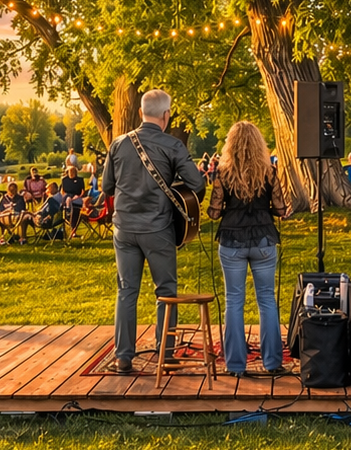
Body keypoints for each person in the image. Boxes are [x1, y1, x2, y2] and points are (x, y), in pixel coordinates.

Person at [100, 88, 206, 374]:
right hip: (158, 227)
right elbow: (196, 184)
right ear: (167, 115)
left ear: (140, 113)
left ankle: (123, 357)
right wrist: (173, 191)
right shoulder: (173, 146)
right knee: (166, 291)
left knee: (126, 291)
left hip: (123, 228)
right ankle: (166, 354)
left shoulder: (119, 143)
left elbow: (107, 187)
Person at [207, 120, 289, 377]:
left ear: (230, 144)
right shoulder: (269, 172)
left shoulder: (222, 173)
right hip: (263, 239)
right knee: (267, 300)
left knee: (233, 301)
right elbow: (280, 209)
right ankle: (273, 362)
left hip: (231, 241)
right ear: (258, 144)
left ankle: (235, 365)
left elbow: (214, 212)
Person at [59, 163, 87, 232]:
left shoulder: (80, 180)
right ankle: (66, 212)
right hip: (67, 195)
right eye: (70, 172)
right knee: (67, 198)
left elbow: (82, 191)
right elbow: (62, 191)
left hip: (77, 196)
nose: (71, 173)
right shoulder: (64, 180)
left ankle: (72, 223)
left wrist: (79, 196)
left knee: (73, 204)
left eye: (73, 172)